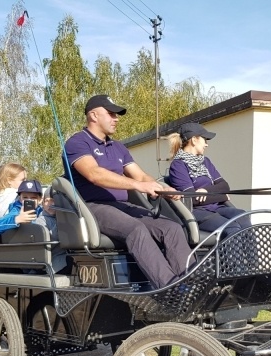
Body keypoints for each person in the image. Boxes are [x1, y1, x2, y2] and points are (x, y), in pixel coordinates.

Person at [63, 94, 193, 290]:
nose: (116, 119)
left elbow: (140, 176)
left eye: (117, 115)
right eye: (111, 114)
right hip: (93, 207)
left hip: (122, 206)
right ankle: (170, 289)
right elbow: (93, 174)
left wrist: (165, 189)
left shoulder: (118, 147)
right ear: (93, 115)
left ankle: (191, 285)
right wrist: (138, 186)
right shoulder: (77, 143)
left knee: (171, 228)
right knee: (136, 229)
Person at [167, 123, 251, 238]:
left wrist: (206, 191)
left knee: (243, 216)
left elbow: (225, 186)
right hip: (197, 212)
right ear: (194, 140)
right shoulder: (178, 166)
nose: (207, 145)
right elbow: (193, 199)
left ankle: (252, 257)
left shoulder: (205, 162)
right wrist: (223, 196)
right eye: (205, 139)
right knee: (231, 228)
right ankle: (230, 257)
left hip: (217, 208)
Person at [0, 179, 68, 274]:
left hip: (40, 254)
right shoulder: (16, 211)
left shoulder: (42, 211)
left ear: (39, 200)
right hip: (22, 257)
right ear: (20, 198)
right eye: (25, 197)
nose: (29, 200)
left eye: (33, 198)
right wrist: (16, 219)